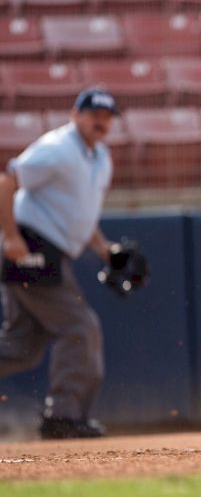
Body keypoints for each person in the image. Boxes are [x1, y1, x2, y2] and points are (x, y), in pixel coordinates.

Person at [0, 88, 119, 439]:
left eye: (107, 116)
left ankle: (64, 415)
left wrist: (103, 249)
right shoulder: (58, 149)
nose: (100, 121)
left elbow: (79, 214)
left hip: (51, 250)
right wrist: (10, 237)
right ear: (75, 114)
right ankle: (64, 416)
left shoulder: (99, 157)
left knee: (22, 346)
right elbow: (7, 181)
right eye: (93, 113)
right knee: (80, 327)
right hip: (32, 244)